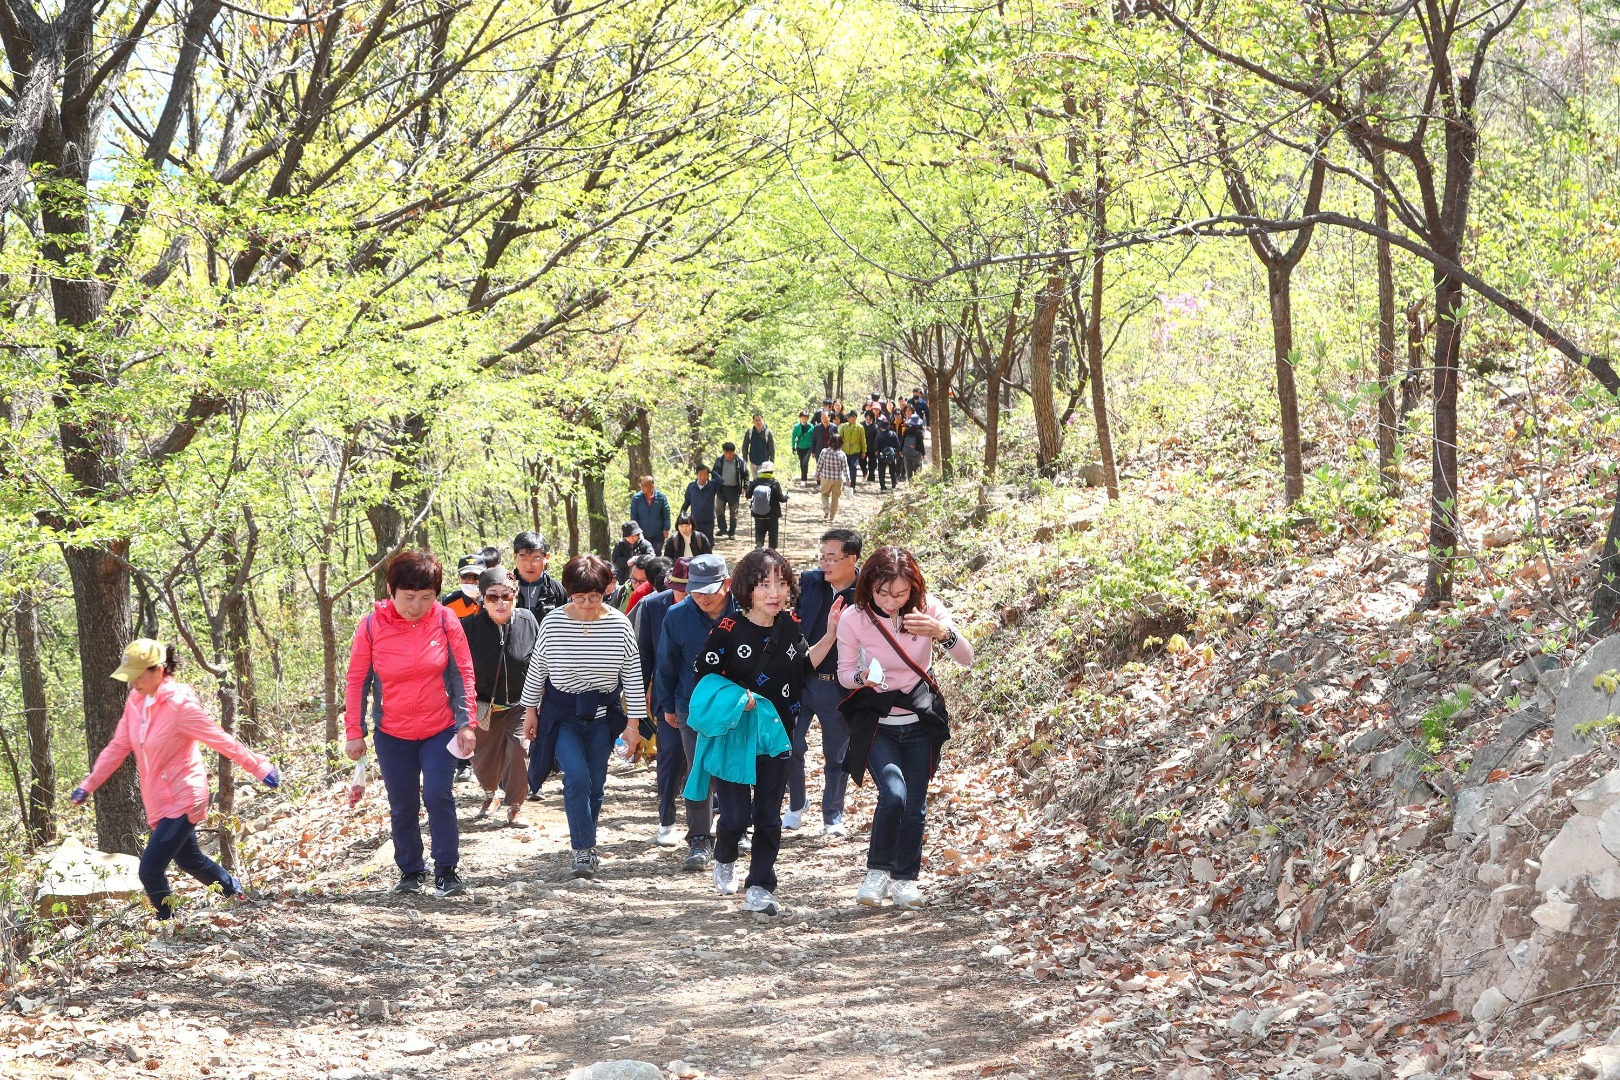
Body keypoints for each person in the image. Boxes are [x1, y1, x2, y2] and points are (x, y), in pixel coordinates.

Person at [70, 639, 280, 922]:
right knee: (190, 860)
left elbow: (220, 739)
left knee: (149, 868)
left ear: (158, 670)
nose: (132, 682)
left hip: (185, 796)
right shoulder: (135, 703)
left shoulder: (180, 706)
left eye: (137, 675)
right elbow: (117, 748)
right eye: (129, 677)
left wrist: (259, 767)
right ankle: (238, 895)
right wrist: (88, 785)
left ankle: (167, 925)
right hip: (159, 799)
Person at [689, 549, 836, 915]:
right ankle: (724, 855)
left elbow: (804, 665)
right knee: (736, 816)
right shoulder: (727, 629)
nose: (775, 592)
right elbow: (703, 677)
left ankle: (760, 886)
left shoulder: (790, 625)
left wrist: (832, 633)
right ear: (747, 589)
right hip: (736, 733)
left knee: (768, 814)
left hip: (777, 732)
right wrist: (740, 698)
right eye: (764, 584)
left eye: (782, 584)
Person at [837, 546, 973, 909]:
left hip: (919, 722)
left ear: (913, 587)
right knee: (893, 793)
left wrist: (942, 633)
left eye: (899, 593)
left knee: (915, 805)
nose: (891, 601)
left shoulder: (928, 609)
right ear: (869, 586)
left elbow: (967, 659)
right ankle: (877, 872)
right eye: (882, 593)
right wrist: (862, 676)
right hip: (878, 722)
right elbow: (844, 675)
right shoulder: (855, 617)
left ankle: (905, 879)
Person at [344, 550, 478, 898]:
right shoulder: (372, 626)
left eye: (426, 597)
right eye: (408, 597)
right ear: (391, 590)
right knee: (402, 802)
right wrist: (354, 732)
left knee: (438, 794)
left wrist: (467, 724)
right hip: (393, 732)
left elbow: (463, 672)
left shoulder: (446, 620)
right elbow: (357, 681)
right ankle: (410, 871)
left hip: (440, 727)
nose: (417, 606)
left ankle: (447, 870)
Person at [520, 554, 646, 879]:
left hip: (603, 716)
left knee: (596, 784)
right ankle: (583, 849)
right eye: (579, 597)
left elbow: (632, 675)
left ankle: (586, 838)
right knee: (575, 776)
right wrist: (530, 711)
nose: (587, 604)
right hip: (562, 715)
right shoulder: (553, 622)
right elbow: (538, 669)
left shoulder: (619, 624)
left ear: (606, 590)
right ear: (569, 593)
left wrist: (633, 725)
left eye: (594, 596)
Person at [653, 554, 734, 871]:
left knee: (733, 769)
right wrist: (668, 706)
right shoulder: (676, 616)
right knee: (699, 770)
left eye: (709, 591)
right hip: (692, 706)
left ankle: (735, 828)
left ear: (727, 585)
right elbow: (666, 664)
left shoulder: (747, 611)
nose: (701, 598)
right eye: (696, 591)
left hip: (741, 705)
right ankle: (699, 839)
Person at [788, 530, 859, 836]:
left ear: (852, 558)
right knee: (789, 744)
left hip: (839, 685)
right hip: (800, 678)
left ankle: (833, 815)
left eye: (832, 557)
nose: (825, 564)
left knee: (836, 754)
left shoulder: (867, 592)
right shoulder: (809, 583)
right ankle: (796, 804)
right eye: (823, 557)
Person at [460, 565, 538, 828]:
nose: (501, 602)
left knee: (519, 749)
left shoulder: (527, 621)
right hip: (484, 706)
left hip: (520, 704)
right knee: (484, 760)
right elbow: (458, 671)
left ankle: (515, 805)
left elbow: (539, 662)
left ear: (516, 595)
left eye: (507, 595)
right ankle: (490, 794)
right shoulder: (468, 628)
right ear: (482, 598)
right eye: (493, 596)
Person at [636, 557, 687, 847]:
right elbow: (644, 653)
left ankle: (715, 818)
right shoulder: (654, 605)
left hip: (708, 697)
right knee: (669, 758)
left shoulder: (719, 605)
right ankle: (666, 818)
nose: (684, 594)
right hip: (665, 695)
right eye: (678, 588)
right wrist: (639, 693)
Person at [513, 532, 566, 625]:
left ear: (546, 557)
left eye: (536, 558)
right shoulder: (503, 588)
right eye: (523, 558)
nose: (529, 565)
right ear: (515, 557)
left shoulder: (556, 589)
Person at [748, 462, 788, 550]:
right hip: (772, 514)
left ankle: (759, 543)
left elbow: (748, 495)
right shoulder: (774, 483)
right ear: (771, 472)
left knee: (759, 530)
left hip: (758, 513)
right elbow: (781, 498)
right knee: (773, 532)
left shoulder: (755, 482)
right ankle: (771, 550)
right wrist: (787, 497)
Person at [712, 443, 746, 540]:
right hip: (721, 489)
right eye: (726, 452)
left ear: (733, 452)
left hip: (734, 489)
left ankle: (732, 532)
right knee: (719, 509)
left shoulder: (739, 461)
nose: (728, 455)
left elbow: (745, 474)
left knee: (733, 512)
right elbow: (714, 473)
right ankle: (722, 529)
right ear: (724, 452)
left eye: (730, 452)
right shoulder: (719, 460)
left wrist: (745, 486)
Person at [630, 475, 672, 552]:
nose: (642, 488)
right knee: (643, 557)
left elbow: (666, 514)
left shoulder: (661, 497)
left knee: (656, 556)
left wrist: (666, 528)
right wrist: (635, 532)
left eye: (644, 486)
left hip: (658, 534)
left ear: (652, 486)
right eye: (641, 485)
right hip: (642, 534)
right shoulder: (637, 498)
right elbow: (634, 516)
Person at [680, 465, 721, 541]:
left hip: (708, 520)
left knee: (708, 542)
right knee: (695, 543)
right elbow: (687, 502)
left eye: (705, 475)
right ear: (697, 475)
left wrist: (711, 471)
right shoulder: (691, 486)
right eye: (700, 475)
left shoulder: (712, 485)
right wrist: (681, 515)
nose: (703, 477)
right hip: (695, 520)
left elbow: (720, 480)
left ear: (708, 475)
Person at [816, 432, 846, 523]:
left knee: (824, 494)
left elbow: (819, 464)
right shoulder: (842, 454)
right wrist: (848, 480)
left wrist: (817, 474)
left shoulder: (824, 452)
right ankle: (832, 516)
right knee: (835, 498)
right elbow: (845, 468)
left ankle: (826, 510)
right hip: (838, 479)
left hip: (826, 478)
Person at [741, 413, 775, 482]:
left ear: (763, 420)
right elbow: (745, 446)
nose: (758, 422)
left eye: (760, 420)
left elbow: (771, 448)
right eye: (756, 420)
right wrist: (745, 459)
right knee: (755, 481)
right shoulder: (750, 432)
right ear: (753, 422)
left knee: (763, 480)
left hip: (764, 462)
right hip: (753, 461)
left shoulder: (767, 433)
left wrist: (771, 461)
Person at [838, 411, 866, 492]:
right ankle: (846, 484)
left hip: (855, 450)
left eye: (850, 417)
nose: (848, 418)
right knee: (845, 468)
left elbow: (862, 440)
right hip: (845, 450)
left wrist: (864, 450)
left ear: (854, 418)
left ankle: (852, 485)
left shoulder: (859, 427)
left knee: (853, 467)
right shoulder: (844, 426)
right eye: (848, 417)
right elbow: (840, 438)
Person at [872, 418, 900, 492]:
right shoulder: (893, 434)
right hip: (891, 455)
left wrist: (877, 452)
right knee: (892, 470)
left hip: (882, 456)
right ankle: (893, 485)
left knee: (881, 471)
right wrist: (897, 452)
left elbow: (875, 446)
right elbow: (897, 445)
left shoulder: (879, 435)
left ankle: (883, 487)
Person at [791, 410, 815, 483]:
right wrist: (793, 446)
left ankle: (803, 479)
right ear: (800, 418)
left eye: (805, 418)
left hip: (808, 447)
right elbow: (794, 437)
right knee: (802, 463)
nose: (804, 420)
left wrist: (813, 449)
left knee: (805, 462)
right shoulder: (796, 427)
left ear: (808, 418)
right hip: (799, 447)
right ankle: (803, 475)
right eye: (802, 418)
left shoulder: (811, 427)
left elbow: (814, 438)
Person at [902, 416, 926, 481]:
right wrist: (923, 453)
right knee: (917, 467)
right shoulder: (919, 432)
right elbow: (921, 444)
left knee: (908, 468)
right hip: (916, 453)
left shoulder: (906, 431)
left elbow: (903, 441)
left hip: (907, 452)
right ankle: (916, 482)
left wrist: (901, 450)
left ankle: (910, 482)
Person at [861, 410, 880, 482]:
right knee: (862, 462)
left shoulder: (875, 427)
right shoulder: (861, 425)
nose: (868, 420)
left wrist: (876, 449)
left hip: (872, 448)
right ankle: (865, 472)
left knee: (872, 463)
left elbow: (877, 438)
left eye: (870, 419)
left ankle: (871, 475)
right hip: (862, 448)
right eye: (867, 418)